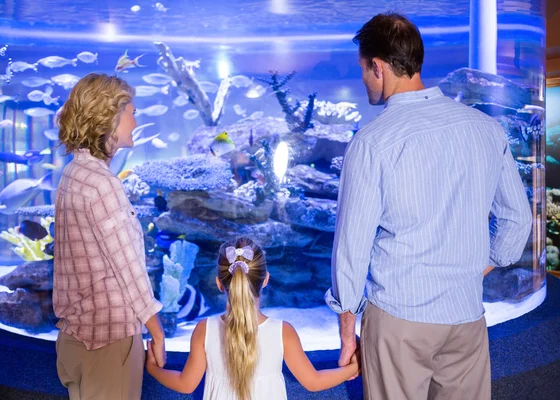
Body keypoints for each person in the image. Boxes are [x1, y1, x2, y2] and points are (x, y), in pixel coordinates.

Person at [325, 12, 533, 400]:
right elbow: (517, 221)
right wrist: (477, 267)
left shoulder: (372, 142)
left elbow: (352, 248)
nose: (364, 80)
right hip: (467, 316)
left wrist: (346, 326)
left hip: (399, 319)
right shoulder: (486, 129)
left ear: (378, 66)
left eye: (364, 70)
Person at [53, 73, 165, 400]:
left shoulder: (74, 173)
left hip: (77, 338)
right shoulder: (102, 184)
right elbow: (128, 268)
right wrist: (156, 332)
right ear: (110, 117)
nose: (135, 118)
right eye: (131, 111)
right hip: (108, 342)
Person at [146, 236, 360, 399]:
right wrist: (354, 366)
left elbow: (186, 384)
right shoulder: (282, 331)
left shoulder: (205, 329)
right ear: (265, 280)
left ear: (219, 283)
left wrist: (153, 369)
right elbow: (313, 382)